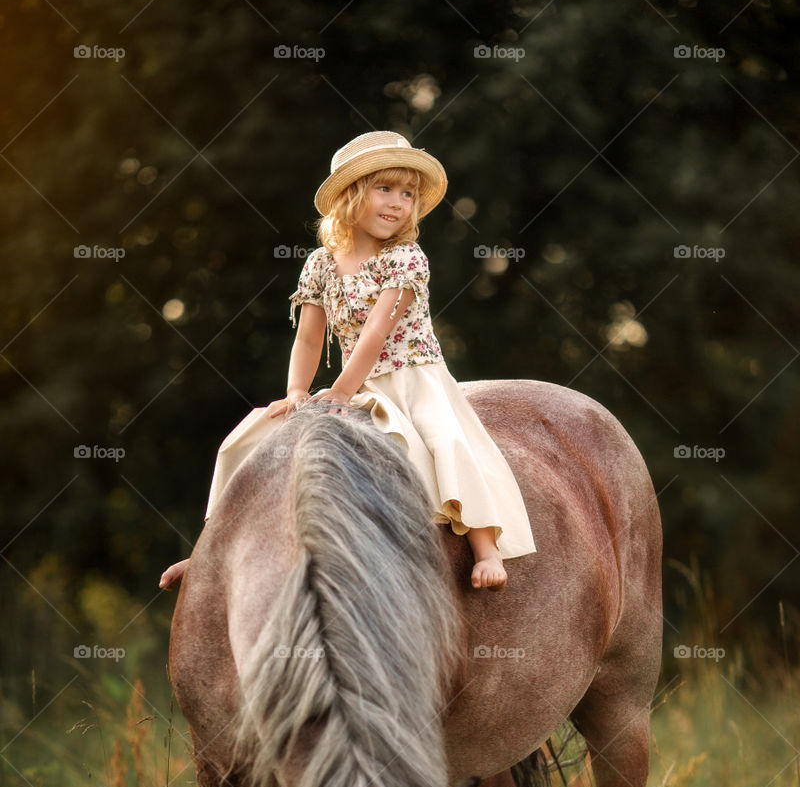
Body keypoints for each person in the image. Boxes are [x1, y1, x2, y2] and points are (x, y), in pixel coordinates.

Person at [159, 130, 536, 592]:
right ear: (350, 196)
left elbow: (376, 333)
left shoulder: (405, 258)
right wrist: (298, 392)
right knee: (250, 437)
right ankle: (211, 547)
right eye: (385, 189)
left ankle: (486, 547)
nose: (398, 202)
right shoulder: (320, 264)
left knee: (447, 441)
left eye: (408, 193)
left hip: (415, 378)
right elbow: (310, 338)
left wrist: (340, 392)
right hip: (362, 384)